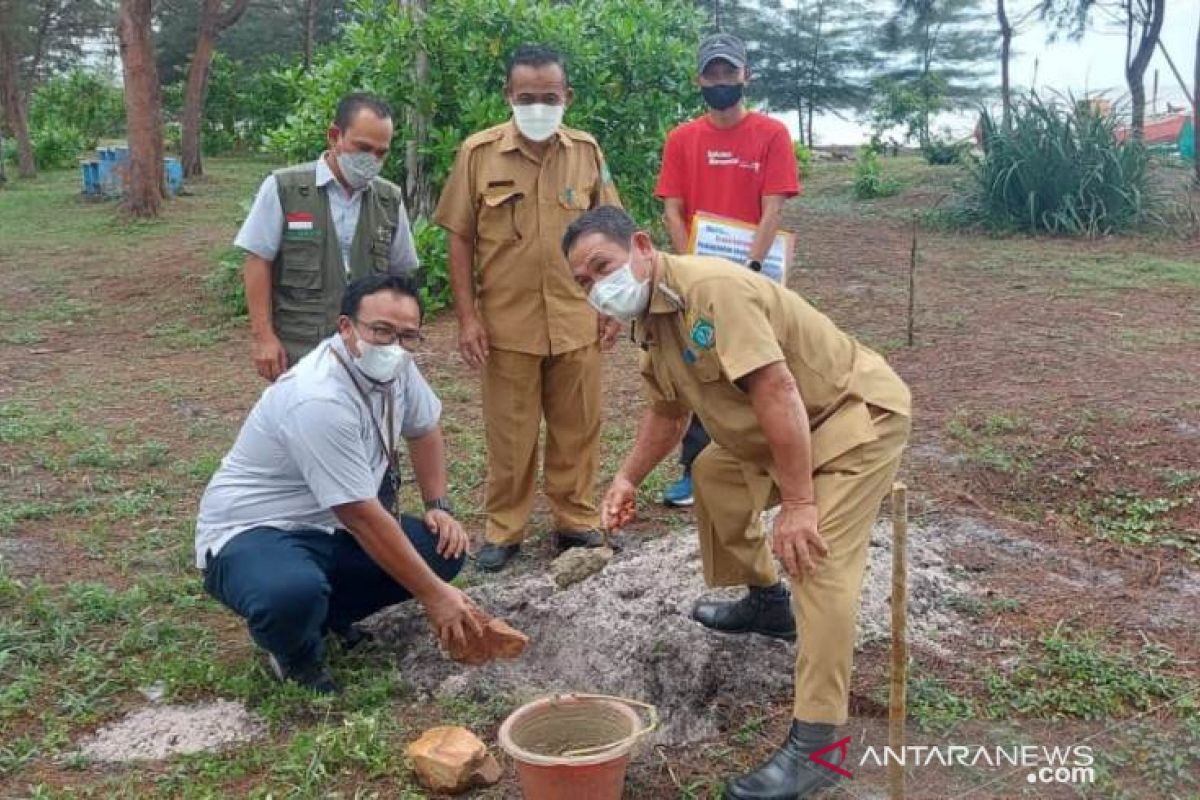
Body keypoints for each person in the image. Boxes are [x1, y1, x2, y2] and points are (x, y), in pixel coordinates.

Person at [563, 207, 911, 800]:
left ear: (641, 246)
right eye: (584, 283)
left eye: (602, 266)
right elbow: (668, 413)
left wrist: (800, 502)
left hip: (853, 419)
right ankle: (766, 602)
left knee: (816, 559)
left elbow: (777, 388)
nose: (598, 288)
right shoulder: (653, 318)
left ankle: (819, 748)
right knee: (713, 472)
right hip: (785, 432)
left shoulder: (713, 291)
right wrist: (626, 479)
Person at [195, 275, 480, 695]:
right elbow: (361, 515)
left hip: (335, 526)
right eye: (380, 330)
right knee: (290, 593)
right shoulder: (317, 396)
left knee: (444, 548)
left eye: (407, 336)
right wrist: (435, 597)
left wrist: (439, 504)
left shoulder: (399, 369)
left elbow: (424, 429)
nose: (393, 346)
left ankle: (323, 615)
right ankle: (296, 657)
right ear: (346, 327)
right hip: (258, 531)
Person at [433, 44, 622, 573]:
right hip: (506, 325)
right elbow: (460, 239)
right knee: (510, 435)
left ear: (567, 97)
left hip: (575, 318)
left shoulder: (586, 151)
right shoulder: (478, 153)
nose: (538, 106)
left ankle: (575, 519)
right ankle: (504, 529)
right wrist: (468, 318)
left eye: (550, 97)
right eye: (527, 97)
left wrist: (609, 306)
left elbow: (610, 232)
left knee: (578, 427)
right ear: (508, 96)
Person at [655, 32, 800, 509]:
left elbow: (773, 207)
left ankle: (769, 467)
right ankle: (695, 470)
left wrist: (752, 269)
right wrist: (689, 269)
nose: (721, 82)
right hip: (698, 274)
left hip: (756, 274)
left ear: (746, 76)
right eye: (712, 74)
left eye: (729, 73)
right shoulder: (682, 139)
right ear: (699, 79)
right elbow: (673, 210)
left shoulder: (772, 134)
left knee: (761, 368)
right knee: (701, 365)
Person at [235, 92, 418, 381]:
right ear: (335, 136)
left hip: (367, 350)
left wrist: (398, 343)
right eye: (362, 148)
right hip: (300, 346)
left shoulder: (389, 200)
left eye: (381, 153)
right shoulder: (285, 188)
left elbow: (402, 273)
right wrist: (263, 337)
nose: (371, 160)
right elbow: (257, 260)